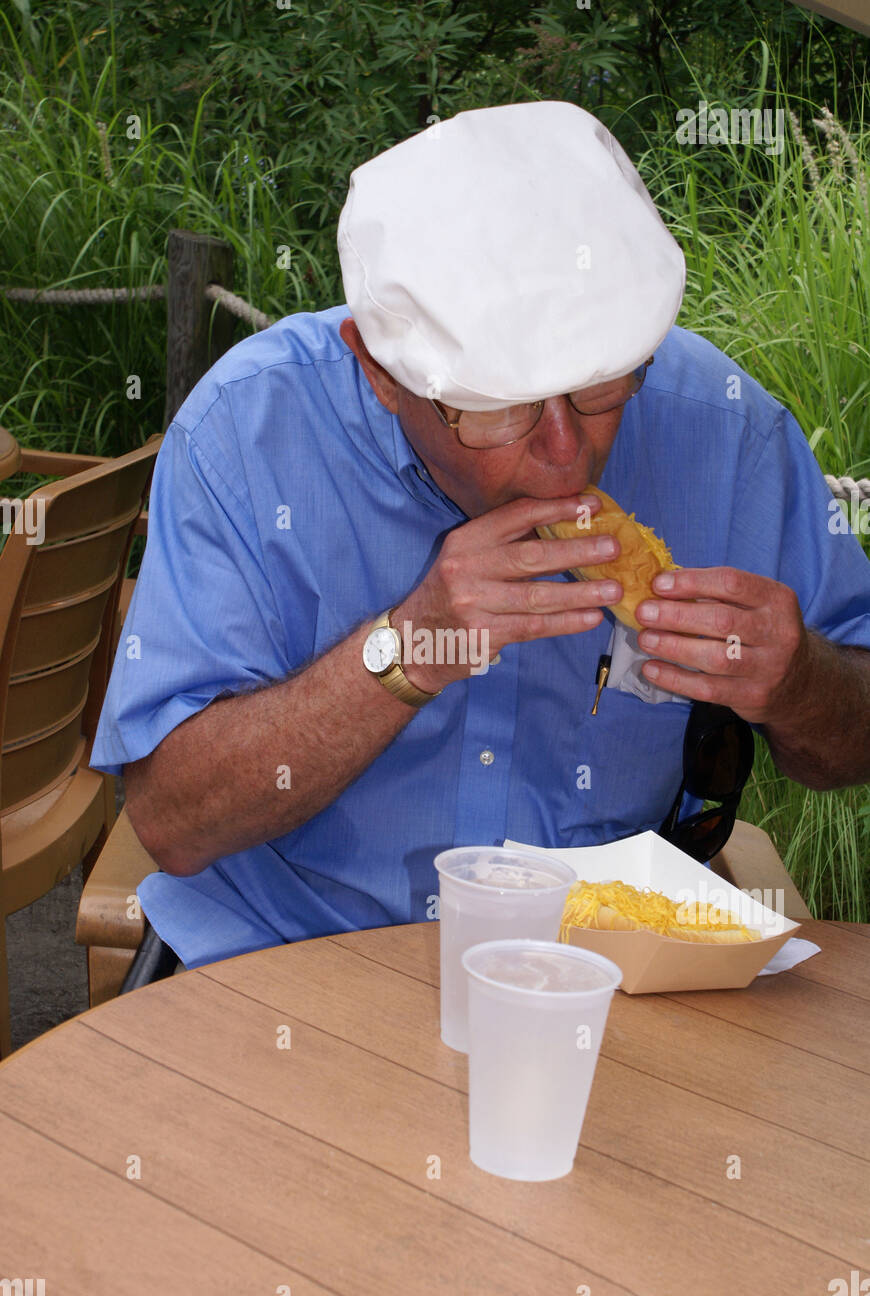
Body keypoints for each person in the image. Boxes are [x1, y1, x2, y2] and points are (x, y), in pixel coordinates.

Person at [90, 102, 870, 970]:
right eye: (499, 409)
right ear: (379, 371)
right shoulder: (246, 433)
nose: (568, 449)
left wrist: (800, 682)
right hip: (286, 957)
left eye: (601, 388)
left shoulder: (729, 434)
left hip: (603, 977)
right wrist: (407, 650)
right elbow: (170, 820)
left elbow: (857, 730)